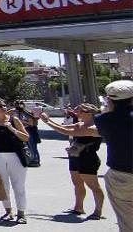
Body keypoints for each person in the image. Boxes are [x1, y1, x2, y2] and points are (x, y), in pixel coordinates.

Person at [64, 79, 133, 230]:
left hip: (121, 175)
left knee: (127, 220)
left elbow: (100, 119)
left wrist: (108, 107)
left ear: (110, 99)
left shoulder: (105, 120)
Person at [40, 104, 105, 220]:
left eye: (79, 111)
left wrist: (46, 122)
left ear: (88, 113)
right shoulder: (80, 124)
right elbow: (66, 127)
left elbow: (65, 131)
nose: (75, 112)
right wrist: (48, 119)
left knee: (94, 186)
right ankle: (78, 207)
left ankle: (98, 211)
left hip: (88, 158)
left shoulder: (94, 128)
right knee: (77, 184)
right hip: (75, 156)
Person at [0, 98, 30, 224]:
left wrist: (12, 129)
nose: (3, 107)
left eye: (4, 105)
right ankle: (9, 211)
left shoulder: (14, 120)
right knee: (2, 185)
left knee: (18, 185)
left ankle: (21, 213)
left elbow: (26, 137)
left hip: (15, 155)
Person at [13, 100, 41, 167]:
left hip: (29, 130)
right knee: (27, 146)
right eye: (16, 104)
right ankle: (30, 159)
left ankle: (35, 160)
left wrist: (21, 122)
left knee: (32, 146)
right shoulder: (17, 112)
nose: (17, 106)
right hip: (23, 129)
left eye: (19, 104)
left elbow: (31, 123)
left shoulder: (27, 112)